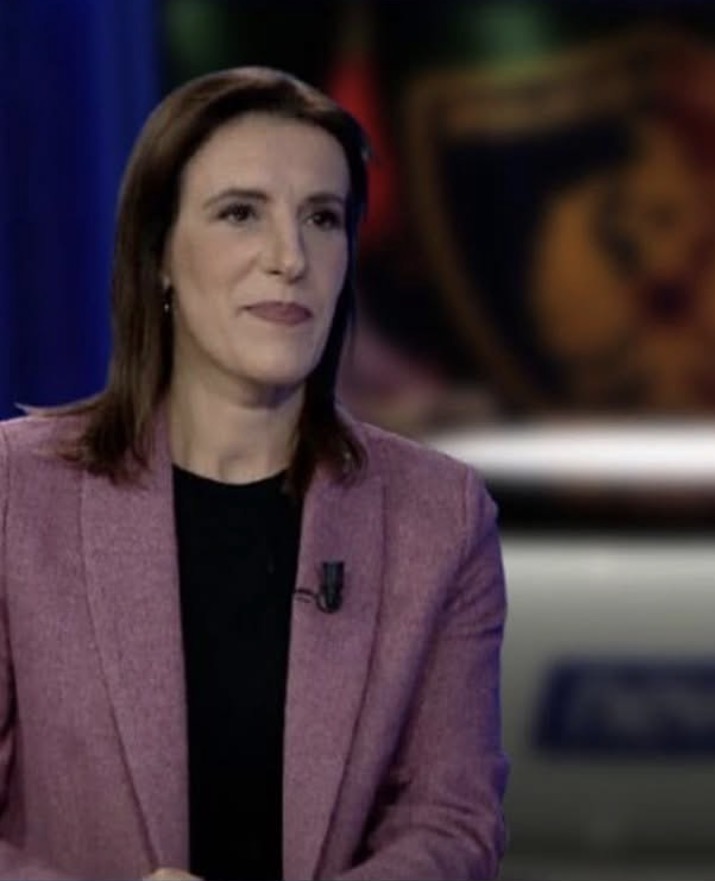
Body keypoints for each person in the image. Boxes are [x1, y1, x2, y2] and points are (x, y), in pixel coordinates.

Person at [0, 67, 507, 880]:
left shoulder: (440, 517)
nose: (289, 257)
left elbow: (452, 823)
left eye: (322, 218)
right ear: (159, 254)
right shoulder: (15, 494)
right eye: (241, 213)